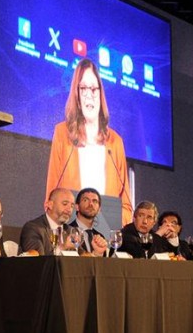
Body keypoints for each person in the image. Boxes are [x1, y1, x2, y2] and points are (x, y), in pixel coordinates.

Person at [45, 58, 132, 226]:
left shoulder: (115, 142)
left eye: (93, 89)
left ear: (100, 93)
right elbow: (51, 195)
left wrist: (115, 228)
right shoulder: (62, 133)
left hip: (107, 234)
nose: (89, 95)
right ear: (76, 94)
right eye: (83, 88)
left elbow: (126, 205)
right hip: (70, 232)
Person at [19, 187, 75, 255]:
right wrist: (62, 248)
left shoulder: (70, 231)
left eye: (72, 206)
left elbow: (83, 257)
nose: (69, 210)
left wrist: (90, 253)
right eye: (65, 204)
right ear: (50, 205)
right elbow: (38, 260)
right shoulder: (33, 228)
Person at [69, 187, 108, 256]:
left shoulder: (100, 238)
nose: (91, 204)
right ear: (77, 207)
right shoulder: (67, 232)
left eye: (95, 201)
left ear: (99, 209)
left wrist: (98, 254)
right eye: (85, 200)